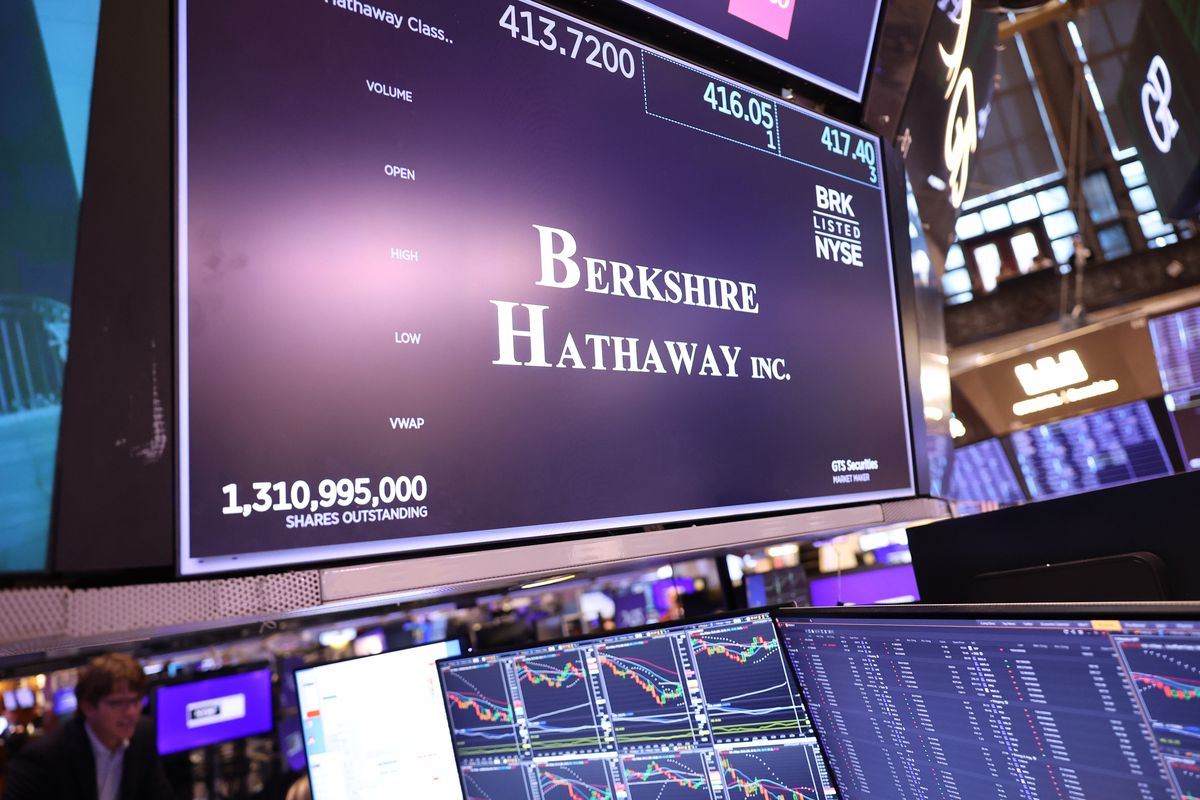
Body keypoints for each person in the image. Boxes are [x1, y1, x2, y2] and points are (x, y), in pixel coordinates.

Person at [3, 653, 172, 800]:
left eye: (135, 701)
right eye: (117, 703)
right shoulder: (43, 757)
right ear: (87, 707)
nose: (131, 712)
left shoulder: (143, 734)